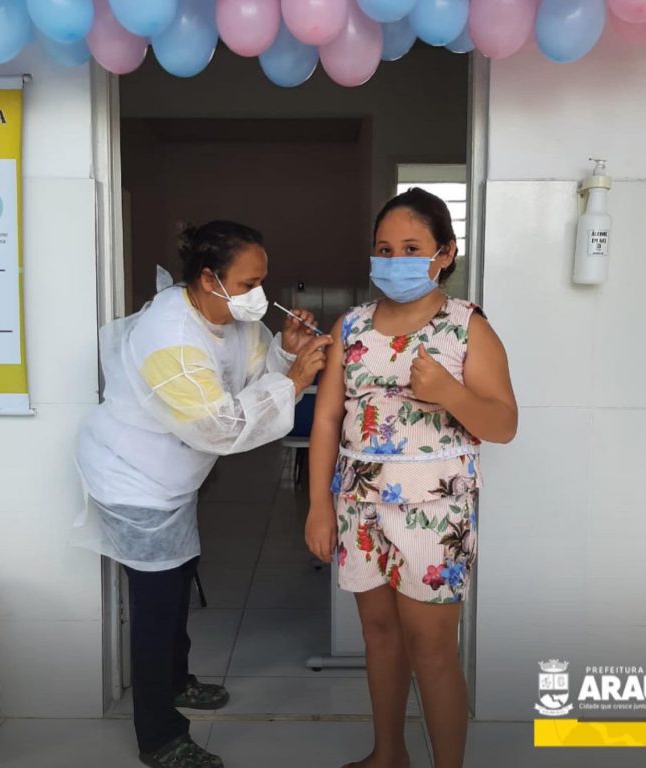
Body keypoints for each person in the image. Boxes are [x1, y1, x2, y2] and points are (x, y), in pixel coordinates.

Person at [74, 220, 332, 768]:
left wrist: (286, 353)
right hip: (133, 478)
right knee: (155, 606)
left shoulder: (228, 317)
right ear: (210, 279)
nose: (259, 294)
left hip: (173, 477)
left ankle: (177, 680)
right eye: (248, 284)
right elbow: (218, 426)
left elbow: (249, 376)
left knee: (177, 582)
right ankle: (159, 737)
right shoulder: (169, 335)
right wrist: (296, 382)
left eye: (262, 281)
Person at [305, 188, 517, 768]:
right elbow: (326, 419)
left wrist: (449, 392)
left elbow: (503, 424)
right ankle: (389, 755)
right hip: (359, 504)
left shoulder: (466, 327)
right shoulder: (351, 326)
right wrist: (319, 506)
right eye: (384, 249)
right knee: (379, 636)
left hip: (435, 511)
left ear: (444, 254)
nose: (394, 260)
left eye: (411, 248)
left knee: (432, 649)